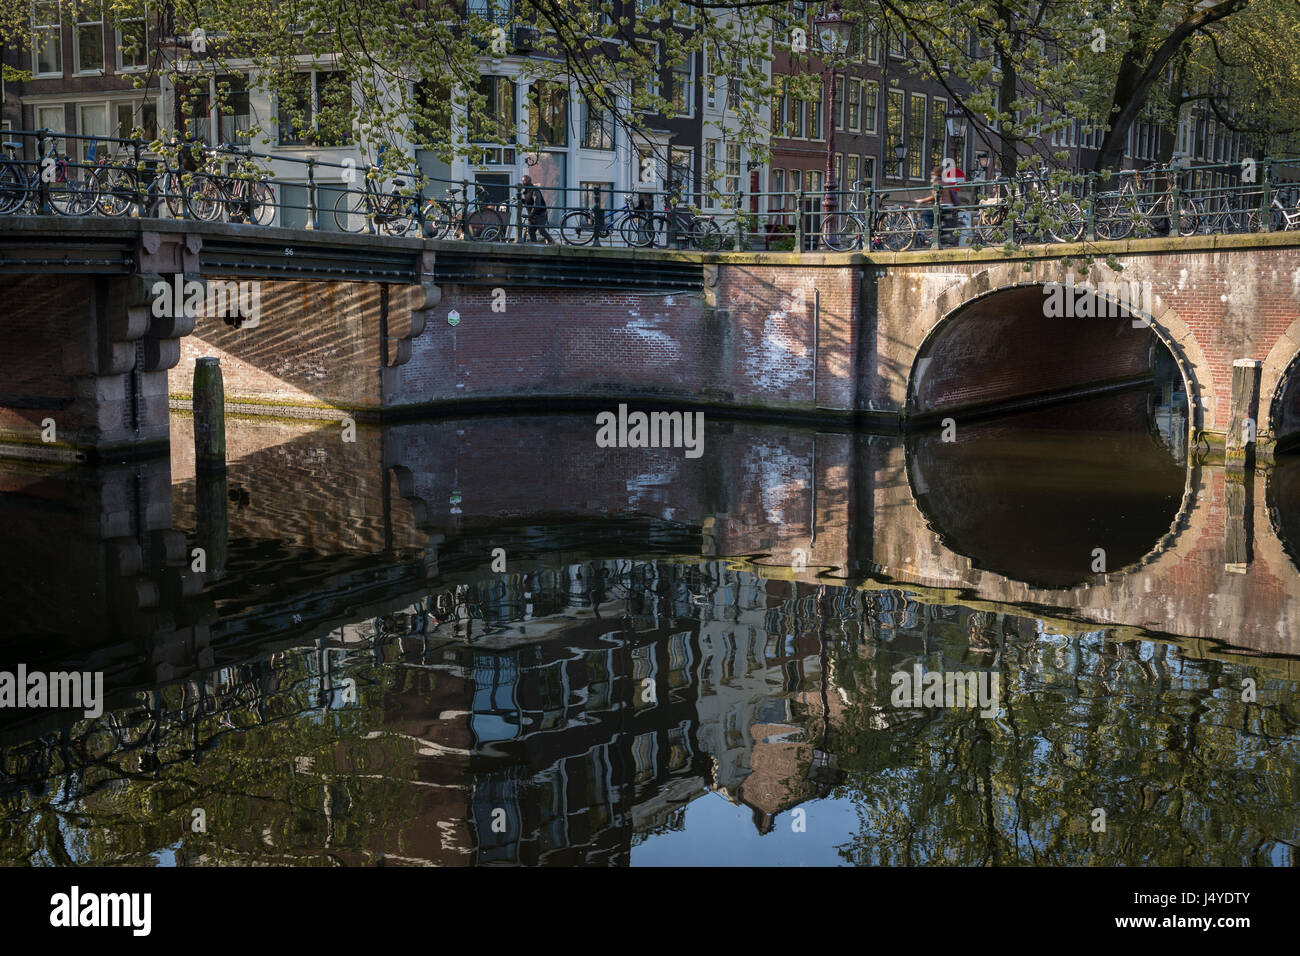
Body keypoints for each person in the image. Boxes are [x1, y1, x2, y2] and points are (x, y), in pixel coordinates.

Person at [915, 166, 960, 244]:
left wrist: (922, 200)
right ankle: (942, 234)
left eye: (932, 174)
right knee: (936, 215)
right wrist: (930, 201)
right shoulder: (944, 182)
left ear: (935, 174)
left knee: (924, 214)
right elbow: (940, 197)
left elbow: (935, 196)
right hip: (949, 206)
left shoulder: (937, 183)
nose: (931, 176)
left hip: (944, 206)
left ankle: (935, 231)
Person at [520, 175, 554, 243]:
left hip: (540, 214)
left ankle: (553, 242)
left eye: (525, 181)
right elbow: (529, 201)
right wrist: (521, 200)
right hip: (533, 215)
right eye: (522, 181)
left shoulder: (535, 190)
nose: (523, 182)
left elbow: (537, 204)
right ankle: (534, 244)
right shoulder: (527, 191)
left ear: (529, 181)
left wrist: (530, 215)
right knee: (531, 231)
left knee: (541, 230)